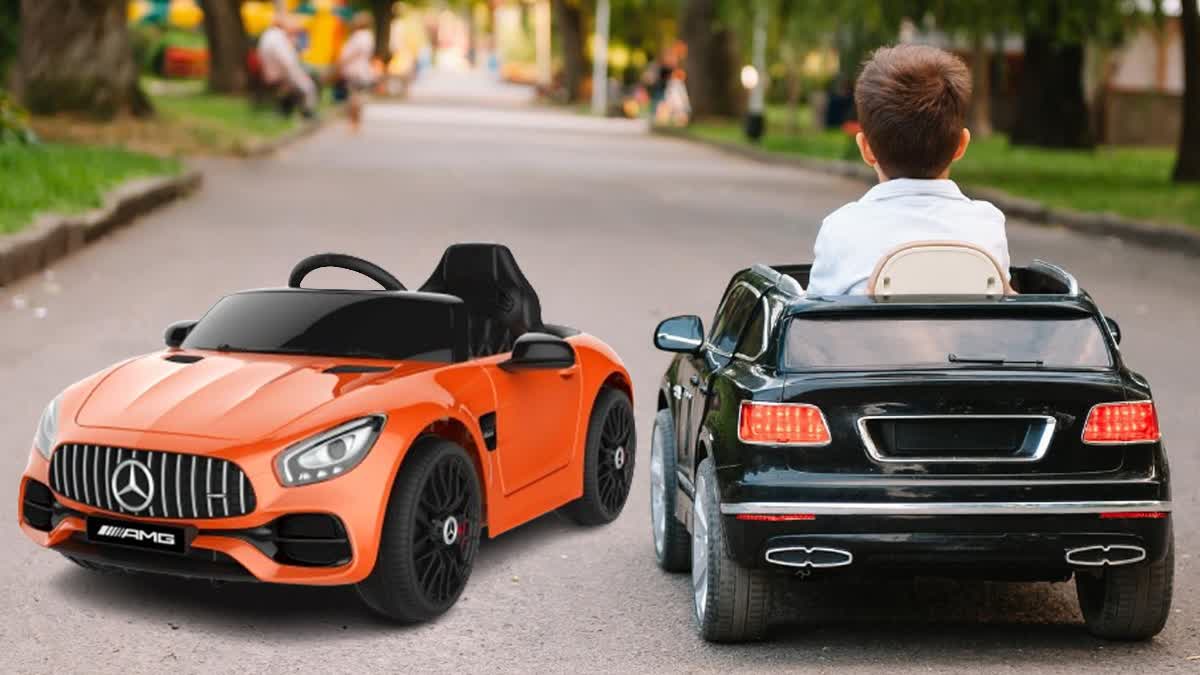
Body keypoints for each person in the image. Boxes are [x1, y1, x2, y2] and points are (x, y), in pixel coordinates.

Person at [806, 44, 1009, 297]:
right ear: (961, 145)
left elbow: (815, 322)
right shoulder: (987, 224)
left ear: (866, 148)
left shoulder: (841, 229)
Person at [258, 15, 317, 118]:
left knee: (307, 78)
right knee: (309, 86)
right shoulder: (278, 37)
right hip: (279, 74)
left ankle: (294, 111)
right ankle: (307, 112)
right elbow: (288, 62)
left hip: (272, 72)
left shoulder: (270, 34)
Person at [337, 12, 378, 132]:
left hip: (355, 70)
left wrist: (340, 63)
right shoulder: (368, 36)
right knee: (358, 96)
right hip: (362, 69)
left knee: (353, 97)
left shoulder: (359, 36)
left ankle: (353, 122)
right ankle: (356, 122)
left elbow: (350, 54)